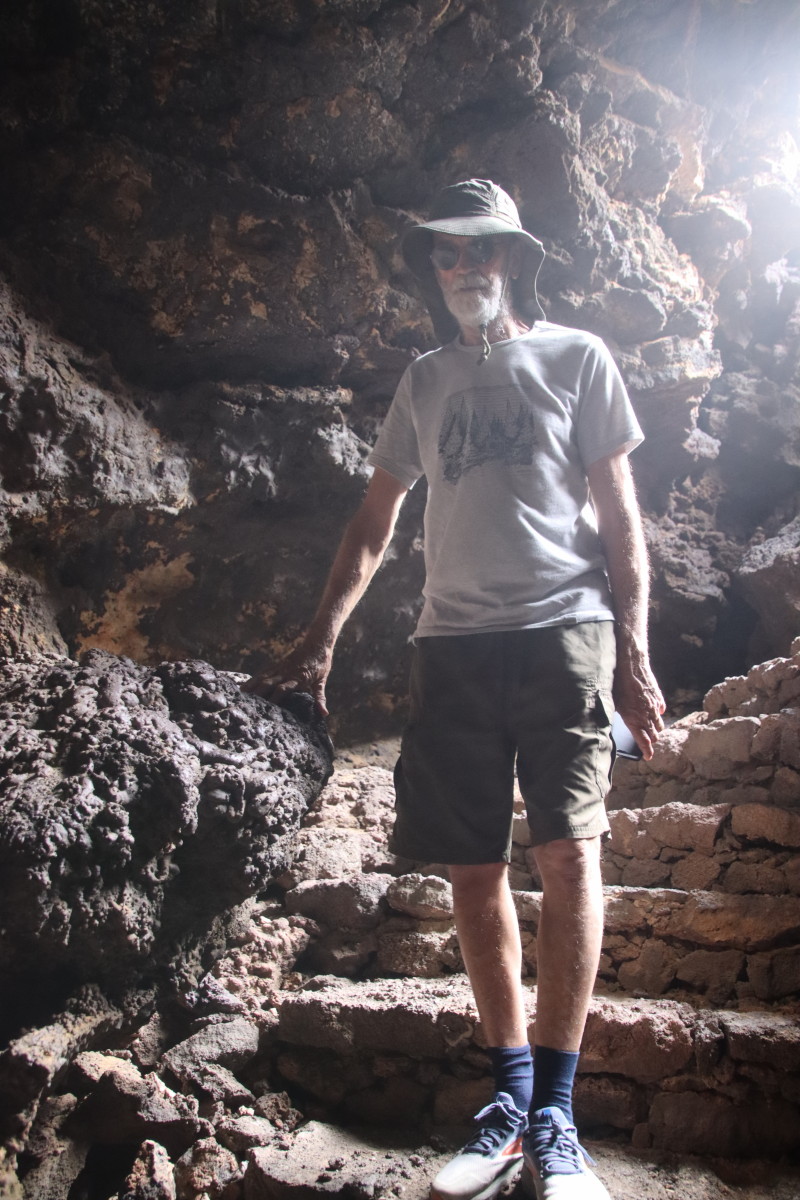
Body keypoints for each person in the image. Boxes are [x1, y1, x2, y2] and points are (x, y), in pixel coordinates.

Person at [249, 179, 665, 1200]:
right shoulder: (423, 380)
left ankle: (556, 1118)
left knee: (568, 856)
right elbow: (374, 521)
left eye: (481, 250)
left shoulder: (577, 357)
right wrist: (318, 641)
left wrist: (634, 655)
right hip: (453, 647)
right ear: (431, 267)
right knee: (474, 871)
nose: (464, 267)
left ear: (512, 259)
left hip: (564, 635)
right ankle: (509, 1104)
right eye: (446, 252)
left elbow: (620, 518)